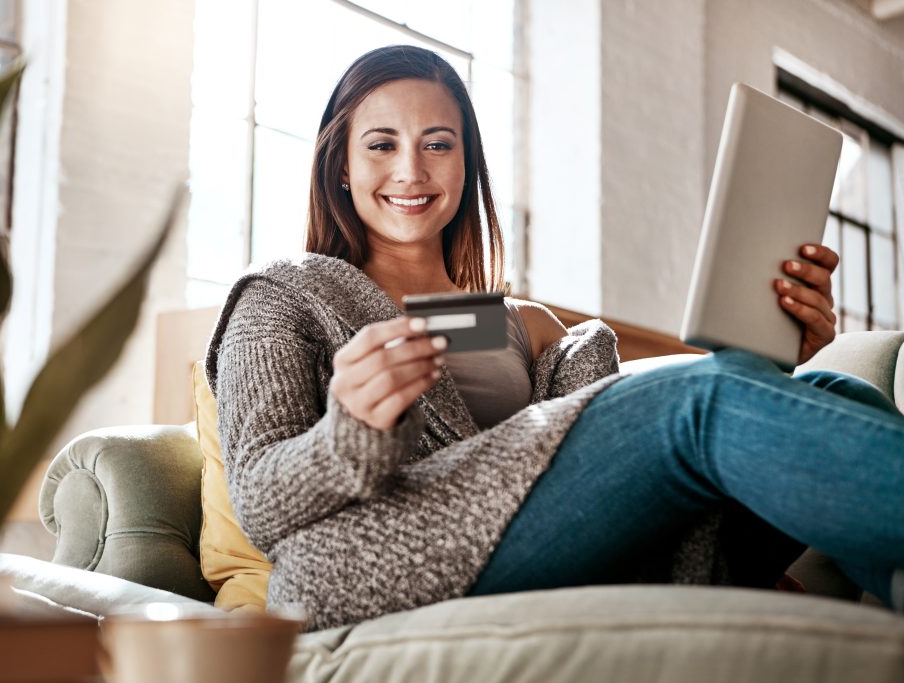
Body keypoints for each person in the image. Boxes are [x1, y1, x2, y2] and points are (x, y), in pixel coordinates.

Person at [204, 45, 903, 632]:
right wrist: (347, 432)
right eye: (381, 144)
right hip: (370, 557)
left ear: (466, 163)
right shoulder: (285, 295)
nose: (411, 170)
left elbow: (628, 453)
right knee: (704, 400)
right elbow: (262, 503)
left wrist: (779, 345)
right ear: (341, 166)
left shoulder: (521, 321)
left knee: (836, 387)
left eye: (438, 144)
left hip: (551, 540)